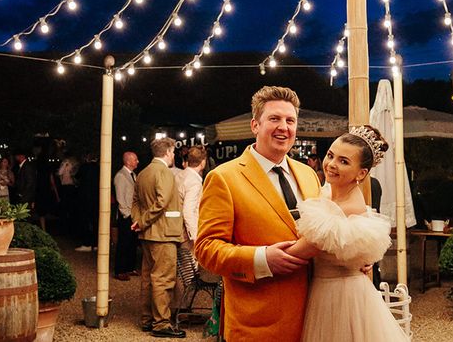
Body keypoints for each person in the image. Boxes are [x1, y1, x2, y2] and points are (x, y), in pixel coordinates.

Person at [195, 86, 322, 342]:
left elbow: (323, 234)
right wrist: (261, 259)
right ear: (255, 125)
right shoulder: (223, 178)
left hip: (314, 316)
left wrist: (351, 258)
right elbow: (206, 249)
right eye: (274, 119)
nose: (283, 127)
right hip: (257, 324)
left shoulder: (309, 175)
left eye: (290, 120)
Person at [284, 125, 408, 341]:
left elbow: (298, 252)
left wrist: (253, 257)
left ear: (361, 173)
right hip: (337, 289)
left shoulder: (342, 209)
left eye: (344, 161)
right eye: (331, 155)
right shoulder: (330, 193)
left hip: (339, 298)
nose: (331, 164)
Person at [131, 137, 184, 339]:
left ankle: (147, 319)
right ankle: (161, 323)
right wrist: (143, 221)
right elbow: (162, 202)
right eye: (173, 152)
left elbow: (135, 201)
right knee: (163, 279)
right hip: (164, 234)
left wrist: (137, 221)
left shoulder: (143, 173)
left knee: (148, 278)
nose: (174, 156)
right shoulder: (165, 172)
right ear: (168, 152)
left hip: (147, 235)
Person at [113, 151, 140, 281]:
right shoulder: (120, 176)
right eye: (135, 160)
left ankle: (129, 267)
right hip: (126, 215)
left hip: (133, 214)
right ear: (128, 161)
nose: (137, 162)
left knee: (132, 242)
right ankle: (120, 270)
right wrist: (127, 214)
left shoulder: (133, 174)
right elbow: (120, 198)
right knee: (123, 242)